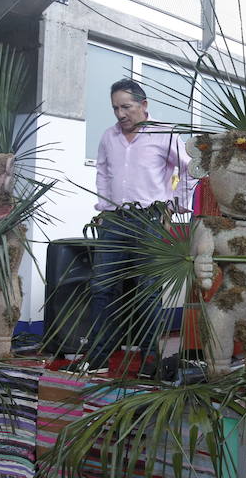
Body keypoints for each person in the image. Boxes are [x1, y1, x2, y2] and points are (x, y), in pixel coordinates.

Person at [89, 79, 192, 373]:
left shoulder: (164, 134)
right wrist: (103, 207)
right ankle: (96, 358)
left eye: (126, 107)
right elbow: (102, 172)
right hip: (114, 221)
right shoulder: (109, 137)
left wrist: (174, 205)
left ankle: (150, 361)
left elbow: (190, 169)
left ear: (143, 106)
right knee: (101, 287)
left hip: (150, 220)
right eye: (115, 108)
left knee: (147, 292)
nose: (121, 114)